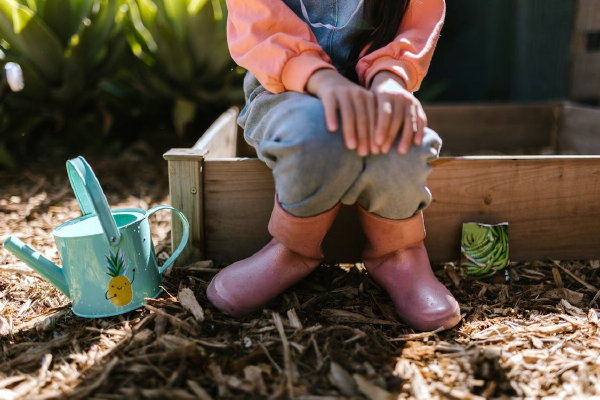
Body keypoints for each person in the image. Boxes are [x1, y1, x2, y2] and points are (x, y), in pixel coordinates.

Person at [207, 0, 461, 331]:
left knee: (402, 138)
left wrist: (391, 76)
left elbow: (417, 17)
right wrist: (319, 78)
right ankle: (294, 250)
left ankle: (397, 252)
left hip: (376, 84)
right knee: (316, 133)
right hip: (282, 88)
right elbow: (258, 20)